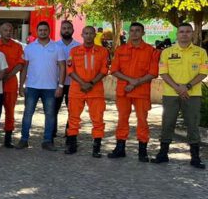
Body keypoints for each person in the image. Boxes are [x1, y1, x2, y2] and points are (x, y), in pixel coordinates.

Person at [153, 23, 208, 168]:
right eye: (181, 32)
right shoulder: (167, 52)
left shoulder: (201, 52)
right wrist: (178, 88)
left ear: (192, 34)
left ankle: (195, 158)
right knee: (168, 123)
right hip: (171, 94)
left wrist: (187, 87)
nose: (184, 34)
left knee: (193, 125)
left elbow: (203, 72)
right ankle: (163, 154)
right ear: (177, 34)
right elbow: (163, 73)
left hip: (193, 94)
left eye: (188, 32)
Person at [108, 22, 159, 162]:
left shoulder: (151, 51)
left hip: (141, 92)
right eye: (132, 30)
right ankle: (120, 148)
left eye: (138, 30)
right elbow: (114, 70)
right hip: (123, 91)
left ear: (143, 33)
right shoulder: (121, 50)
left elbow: (153, 73)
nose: (134, 33)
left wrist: (136, 82)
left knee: (142, 121)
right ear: (129, 33)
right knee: (122, 120)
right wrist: (131, 81)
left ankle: (142, 151)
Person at [17, 21, 67, 150]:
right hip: (32, 87)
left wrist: (60, 86)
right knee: (28, 113)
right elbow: (25, 68)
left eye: (45, 30)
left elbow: (62, 67)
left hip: (50, 88)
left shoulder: (57, 47)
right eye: (40, 30)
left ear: (49, 31)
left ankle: (47, 141)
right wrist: (21, 85)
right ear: (36, 32)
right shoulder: (29, 48)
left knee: (50, 115)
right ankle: (24, 139)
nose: (43, 32)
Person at [64, 26, 110, 157]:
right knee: (73, 118)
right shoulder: (74, 51)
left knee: (98, 119)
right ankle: (72, 144)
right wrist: (83, 83)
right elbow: (70, 70)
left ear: (95, 35)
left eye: (91, 33)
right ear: (82, 35)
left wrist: (91, 83)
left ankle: (97, 147)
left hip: (95, 90)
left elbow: (104, 70)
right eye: (86, 33)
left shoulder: (102, 51)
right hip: (76, 90)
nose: (88, 35)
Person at [0, 22, 25, 148]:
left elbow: (20, 63)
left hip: (11, 83)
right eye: (5, 30)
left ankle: (8, 137)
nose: (8, 32)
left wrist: (9, 75)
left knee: (10, 111)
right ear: (0, 32)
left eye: (10, 30)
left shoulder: (17, 46)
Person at [53, 20, 81, 140]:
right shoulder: (54, 46)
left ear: (73, 30)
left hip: (73, 83)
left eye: (68, 28)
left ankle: (70, 132)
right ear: (60, 31)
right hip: (57, 83)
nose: (66, 30)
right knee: (53, 109)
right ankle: (51, 132)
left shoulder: (79, 47)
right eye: (64, 28)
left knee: (72, 110)